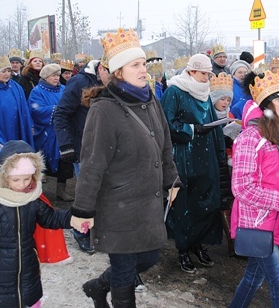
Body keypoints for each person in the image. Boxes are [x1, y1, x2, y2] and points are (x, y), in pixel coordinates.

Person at [71, 28, 180, 308]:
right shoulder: (104, 110)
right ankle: (109, 293)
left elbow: (164, 144)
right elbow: (93, 163)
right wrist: (83, 210)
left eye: (144, 64)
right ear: (118, 71)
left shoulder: (150, 99)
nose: (144, 70)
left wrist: (172, 179)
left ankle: (97, 286)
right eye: (136, 65)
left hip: (147, 202)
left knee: (149, 257)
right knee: (123, 269)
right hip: (117, 204)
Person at [0, 140, 77, 308]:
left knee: (27, 301)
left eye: (27, 179)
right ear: (4, 177)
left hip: (27, 271)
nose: (22, 185)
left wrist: (75, 218)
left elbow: (51, 218)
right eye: (16, 180)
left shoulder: (32, 198)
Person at [229, 68, 279, 308]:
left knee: (253, 278)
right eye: (278, 99)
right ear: (265, 105)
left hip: (273, 219)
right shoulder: (250, 138)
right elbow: (242, 188)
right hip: (255, 223)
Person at [161, 53, 227, 273]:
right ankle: (183, 248)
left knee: (204, 201)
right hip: (183, 155)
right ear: (191, 71)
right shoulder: (174, 91)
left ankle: (198, 243)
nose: (207, 78)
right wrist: (190, 129)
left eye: (209, 74)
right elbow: (167, 123)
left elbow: (210, 122)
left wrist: (218, 149)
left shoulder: (205, 92)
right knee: (184, 204)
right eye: (203, 74)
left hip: (204, 154)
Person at [53, 55, 110, 254]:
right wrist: (66, 144)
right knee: (87, 192)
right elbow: (61, 114)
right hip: (83, 145)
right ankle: (81, 231)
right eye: (110, 73)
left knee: (104, 192)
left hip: (106, 147)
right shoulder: (79, 82)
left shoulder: (115, 81)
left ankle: (100, 229)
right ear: (101, 68)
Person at [29, 63, 73, 201]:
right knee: (43, 161)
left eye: (58, 75)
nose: (56, 78)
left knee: (64, 161)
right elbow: (36, 110)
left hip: (63, 132)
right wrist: (56, 110)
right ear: (46, 77)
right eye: (53, 75)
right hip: (46, 133)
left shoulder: (64, 89)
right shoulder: (37, 91)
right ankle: (39, 191)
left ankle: (61, 191)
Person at [209, 72, 237, 256]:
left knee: (229, 202)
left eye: (228, 99)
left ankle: (233, 240)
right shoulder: (208, 116)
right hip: (215, 164)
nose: (225, 102)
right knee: (221, 202)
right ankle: (228, 241)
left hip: (229, 164)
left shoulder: (230, 115)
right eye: (222, 98)